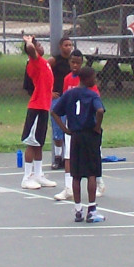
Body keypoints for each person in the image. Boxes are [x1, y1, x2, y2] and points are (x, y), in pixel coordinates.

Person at [51, 62, 106, 222]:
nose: (95, 80)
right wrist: (97, 126)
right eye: (94, 77)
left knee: (76, 175)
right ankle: (92, 210)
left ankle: (78, 210)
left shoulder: (69, 94)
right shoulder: (92, 95)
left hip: (75, 136)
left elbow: (54, 112)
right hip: (89, 135)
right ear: (87, 79)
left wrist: (65, 129)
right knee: (91, 173)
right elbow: (100, 110)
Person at [54, 50, 94, 201]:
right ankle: (68, 187)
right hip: (72, 125)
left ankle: (99, 182)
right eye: (73, 62)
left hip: (87, 126)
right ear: (69, 62)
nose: (75, 65)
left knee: (91, 157)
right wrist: (64, 126)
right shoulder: (67, 79)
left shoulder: (88, 82)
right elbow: (64, 103)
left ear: (82, 63)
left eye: (78, 62)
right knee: (69, 155)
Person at [19, 35, 57, 190]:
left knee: (39, 144)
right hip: (36, 107)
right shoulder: (34, 61)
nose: (41, 46)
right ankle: (26, 177)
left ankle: (38, 174)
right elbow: (30, 50)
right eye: (38, 45)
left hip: (44, 107)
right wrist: (29, 42)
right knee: (31, 143)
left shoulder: (43, 62)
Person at [49, 36, 76, 169]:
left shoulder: (74, 62)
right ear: (60, 47)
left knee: (71, 127)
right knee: (58, 128)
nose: (68, 47)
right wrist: (49, 91)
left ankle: (69, 156)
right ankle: (58, 157)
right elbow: (43, 74)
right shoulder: (54, 61)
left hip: (70, 98)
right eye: (66, 45)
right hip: (58, 97)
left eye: (70, 45)